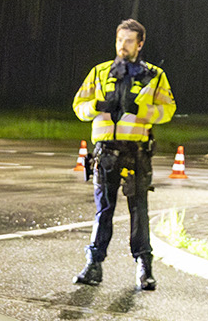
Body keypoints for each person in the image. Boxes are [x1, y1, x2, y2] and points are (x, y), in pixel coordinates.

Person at [72, 18, 175, 290]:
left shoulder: (154, 75)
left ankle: (144, 268)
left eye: (129, 41)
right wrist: (96, 105)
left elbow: (168, 110)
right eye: (120, 40)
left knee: (138, 211)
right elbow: (78, 106)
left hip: (136, 152)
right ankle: (93, 265)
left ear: (140, 44)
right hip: (105, 152)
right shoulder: (100, 72)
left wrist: (142, 111)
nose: (123, 46)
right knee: (103, 211)